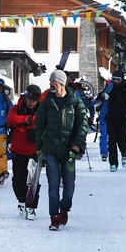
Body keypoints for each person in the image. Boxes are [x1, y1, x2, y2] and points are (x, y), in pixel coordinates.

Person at [35, 70, 88, 231]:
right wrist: (39, 149)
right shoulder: (46, 103)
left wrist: (77, 145)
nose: (51, 85)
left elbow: (83, 126)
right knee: (53, 184)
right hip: (50, 150)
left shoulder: (76, 102)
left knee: (69, 187)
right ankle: (54, 217)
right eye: (50, 82)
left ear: (62, 83)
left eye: (54, 82)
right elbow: (39, 126)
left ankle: (64, 208)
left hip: (69, 152)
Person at [7, 84, 41, 220]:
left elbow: (43, 121)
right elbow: (10, 119)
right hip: (19, 150)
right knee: (17, 180)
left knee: (34, 180)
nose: (32, 103)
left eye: (35, 101)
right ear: (25, 97)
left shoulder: (41, 110)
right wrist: (25, 120)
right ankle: (21, 199)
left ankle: (31, 206)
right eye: (30, 100)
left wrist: (31, 121)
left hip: (34, 151)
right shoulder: (16, 108)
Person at [105, 69, 126, 172]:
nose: (116, 82)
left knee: (122, 139)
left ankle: (124, 155)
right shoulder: (110, 88)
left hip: (123, 119)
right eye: (114, 79)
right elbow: (101, 98)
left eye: (118, 79)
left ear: (122, 80)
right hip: (111, 118)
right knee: (111, 141)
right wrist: (103, 97)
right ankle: (113, 163)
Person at [94, 80, 114, 161]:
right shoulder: (112, 94)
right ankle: (108, 153)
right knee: (110, 137)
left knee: (104, 136)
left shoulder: (102, 93)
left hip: (104, 117)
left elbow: (95, 104)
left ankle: (104, 153)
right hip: (109, 118)